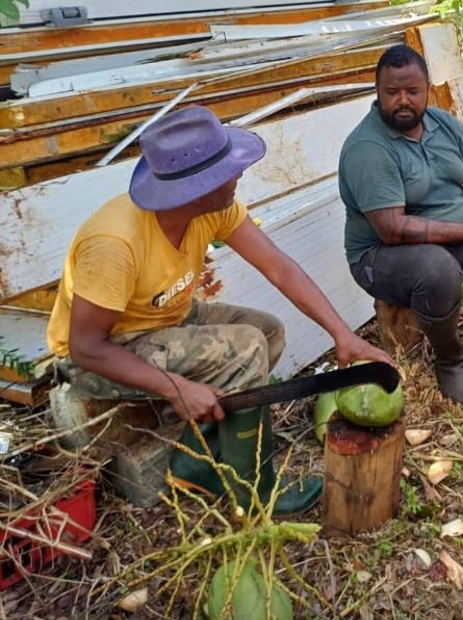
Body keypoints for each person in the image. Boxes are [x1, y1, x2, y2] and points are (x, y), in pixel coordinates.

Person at [47, 105, 392, 514]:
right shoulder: (114, 244)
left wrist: (342, 334)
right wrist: (174, 387)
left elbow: (278, 267)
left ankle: (198, 460)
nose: (239, 175)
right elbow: (85, 347)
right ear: (194, 187)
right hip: (98, 355)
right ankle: (254, 492)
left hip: (165, 320)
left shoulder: (212, 209)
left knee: (267, 332)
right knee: (245, 350)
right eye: (229, 170)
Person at [337, 43, 463, 408]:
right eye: (392, 92)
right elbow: (392, 229)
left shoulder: (443, 123)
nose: (403, 100)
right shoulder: (367, 148)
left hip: (450, 237)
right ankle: (450, 361)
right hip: (381, 256)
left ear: (428, 89)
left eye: (412, 91)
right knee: (438, 268)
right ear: (377, 92)